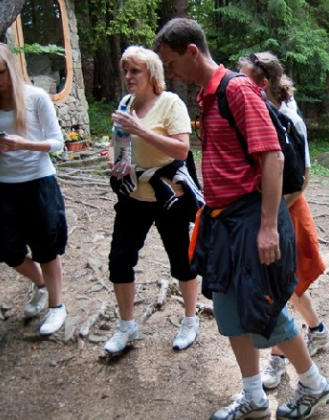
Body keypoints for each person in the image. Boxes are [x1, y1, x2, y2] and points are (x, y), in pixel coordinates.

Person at [155, 18, 329, 420]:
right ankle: (253, 396)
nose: (169, 72)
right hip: (221, 222)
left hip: (251, 219)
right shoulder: (207, 95)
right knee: (229, 309)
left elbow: (272, 156)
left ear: (191, 51)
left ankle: (314, 384)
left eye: (170, 63)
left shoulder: (236, 89)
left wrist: (269, 226)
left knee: (265, 309)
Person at [238, 52, 329, 390]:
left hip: (286, 211)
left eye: (244, 77)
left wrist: (269, 214)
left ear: (262, 82)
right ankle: (318, 330)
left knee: (279, 286)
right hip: (271, 210)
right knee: (288, 287)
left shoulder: (287, 119)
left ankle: (278, 359)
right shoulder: (257, 113)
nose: (237, 84)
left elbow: (301, 179)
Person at [103, 46, 202, 355]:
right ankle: (127, 325)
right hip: (133, 195)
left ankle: (189, 318)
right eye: (126, 71)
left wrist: (139, 130)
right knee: (119, 260)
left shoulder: (171, 103)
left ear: (152, 74)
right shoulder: (125, 104)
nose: (129, 76)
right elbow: (115, 144)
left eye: (136, 71)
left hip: (168, 195)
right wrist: (113, 161)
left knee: (181, 261)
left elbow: (181, 151)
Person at [0, 42, 68, 335]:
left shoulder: (36, 97)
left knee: (46, 248)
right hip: (4, 186)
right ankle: (40, 285)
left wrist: (22, 143)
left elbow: (57, 143)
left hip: (39, 183)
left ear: (11, 69)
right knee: (8, 248)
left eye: (1, 72)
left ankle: (56, 307)